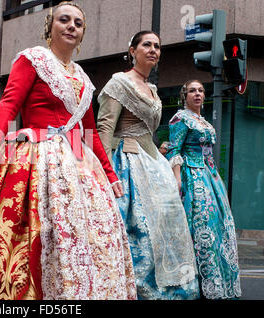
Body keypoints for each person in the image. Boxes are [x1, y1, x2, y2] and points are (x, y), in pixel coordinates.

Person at [0, 1, 136, 300]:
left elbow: (88, 135)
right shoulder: (33, 59)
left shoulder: (83, 79)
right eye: (64, 20)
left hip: (77, 161)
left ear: (82, 34)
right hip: (33, 154)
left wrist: (109, 174)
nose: (71, 26)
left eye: (78, 23)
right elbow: (9, 105)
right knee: (24, 236)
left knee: (84, 236)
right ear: (50, 26)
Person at [96, 31, 200, 300]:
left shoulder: (152, 89)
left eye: (157, 46)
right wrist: (103, 172)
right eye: (146, 45)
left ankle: (166, 288)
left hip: (154, 163)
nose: (153, 49)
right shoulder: (119, 82)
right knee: (138, 229)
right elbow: (105, 128)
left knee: (165, 228)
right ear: (133, 50)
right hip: (127, 163)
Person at [167, 80, 241, 299]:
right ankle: (195, 283)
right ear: (185, 95)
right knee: (201, 226)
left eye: (200, 90)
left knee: (219, 226)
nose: (197, 94)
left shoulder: (204, 122)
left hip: (211, 177)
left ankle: (218, 281)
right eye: (192, 91)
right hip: (193, 177)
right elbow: (174, 151)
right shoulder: (181, 119)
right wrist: (178, 180)